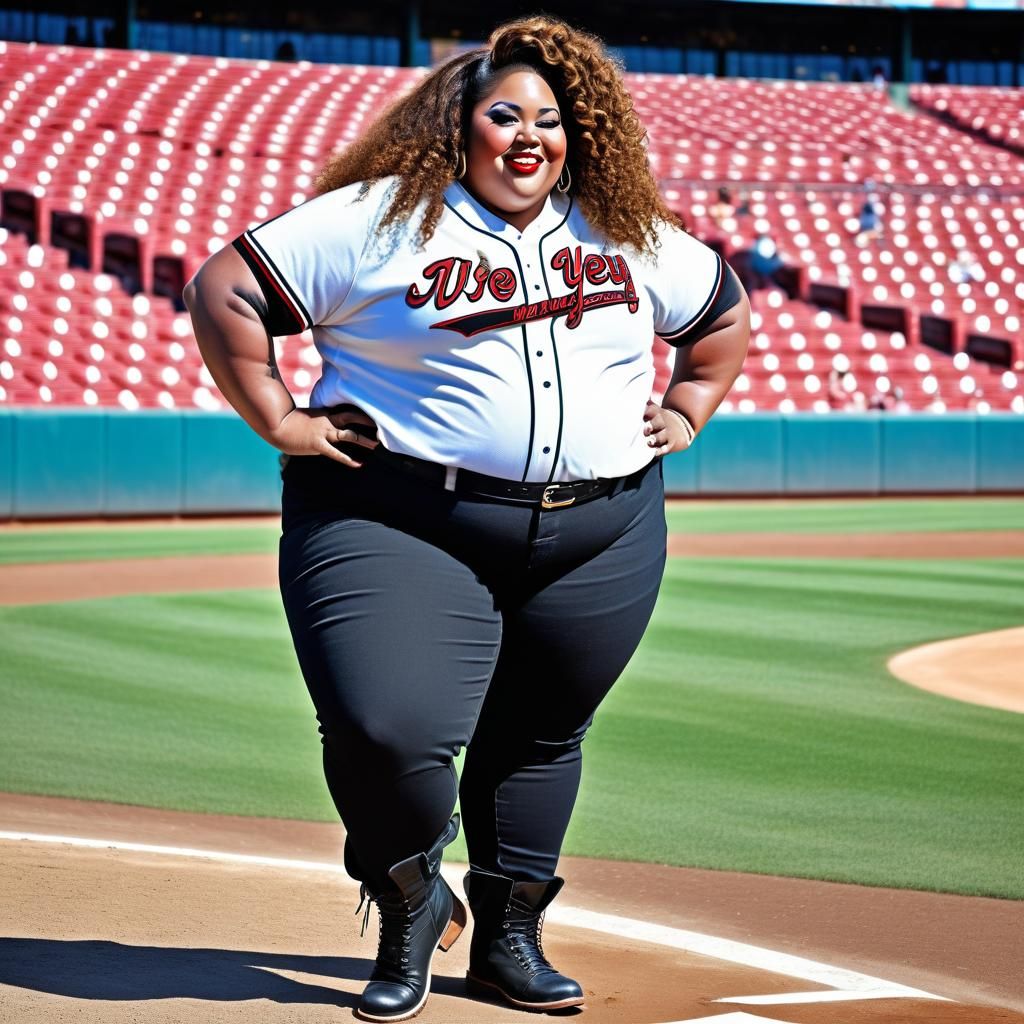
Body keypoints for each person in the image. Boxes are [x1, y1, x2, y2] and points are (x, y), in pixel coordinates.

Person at [184, 16, 749, 1022]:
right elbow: (224, 288)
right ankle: (410, 897)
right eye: (506, 115)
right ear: (458, 123)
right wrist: (278, 416)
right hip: (400, 515)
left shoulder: (623, 230)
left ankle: (508, 940)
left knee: (540, 738)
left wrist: (689, 405)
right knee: (383, 729)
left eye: (551, 120)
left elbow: (719, 316)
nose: (530, 137)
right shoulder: (378, 220)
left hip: (603, 528)